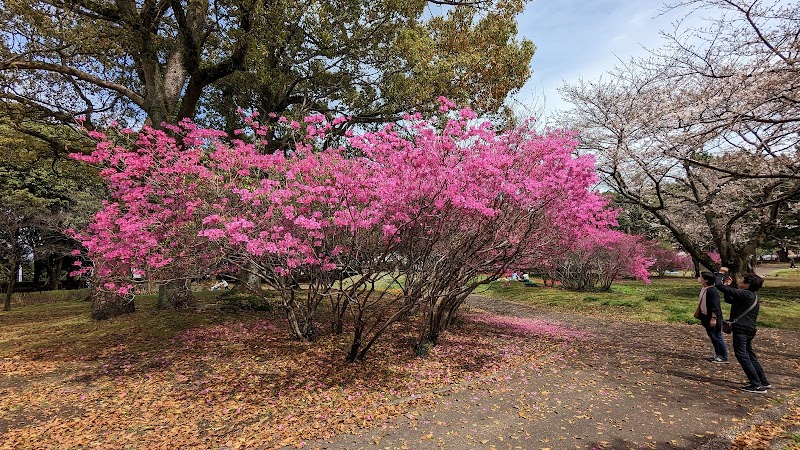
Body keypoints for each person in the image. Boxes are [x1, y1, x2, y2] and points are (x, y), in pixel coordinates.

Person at [716, 270, 770, 394]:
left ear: (747, 284)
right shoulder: (751, 296)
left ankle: (756, 384)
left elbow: (718, 285)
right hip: (750, 329)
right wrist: (728, 287)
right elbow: (729, 300)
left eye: (742, 279)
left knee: (742, 355)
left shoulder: (745, 294)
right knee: (749, 355)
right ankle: (763, 381)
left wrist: (720, 273)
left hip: (742, 330)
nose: (739, 280)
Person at [697, 271, 727, 363]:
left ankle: (723, 356)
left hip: (713, 318)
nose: (699, 278)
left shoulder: (712, 291)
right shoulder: (704, 289)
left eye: (701, 277)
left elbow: (715, 306)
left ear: (706, 280)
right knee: (713, 336)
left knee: (717, 336)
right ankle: (718, 354)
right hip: (705, 317)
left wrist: (713, 318)